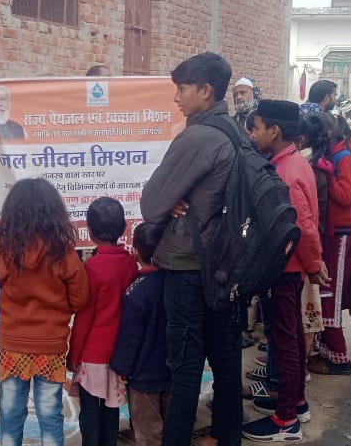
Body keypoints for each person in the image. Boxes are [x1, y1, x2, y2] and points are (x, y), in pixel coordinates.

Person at [140, 51, 242, 446]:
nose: (176, 97)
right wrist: (177, 198)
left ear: (205, 90)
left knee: (184, 366)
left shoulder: (198, 137)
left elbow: (152, 204)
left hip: (187, 265)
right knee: (224, 358)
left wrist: (172, 200)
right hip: (223, 262)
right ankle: (226, 435)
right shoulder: (234, 130)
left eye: (182, 89)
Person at [242, 100, 327, 442]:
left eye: (257, 127)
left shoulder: (286, 173)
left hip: (284, 267)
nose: (253, 134)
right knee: (289, 337)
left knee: (285, 342)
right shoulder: (290, 162)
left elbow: (302, 226)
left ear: (274, 131)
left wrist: (314, 264)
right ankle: (296, 402)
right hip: (288, 266)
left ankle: (286, 420)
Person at [0, 178, 89, 446]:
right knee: (50, 414)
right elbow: (80, 299)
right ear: (54, 213)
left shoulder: (6, 251)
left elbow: (0, 281)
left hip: (13, 344)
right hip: (51, 345)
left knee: (10, 413)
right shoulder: (64, 253)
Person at [69, 197, 138, 446]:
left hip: (92, 354)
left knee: (89, 410)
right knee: (111, 408)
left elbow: (84, 317)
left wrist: (74, 354)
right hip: (120, 353)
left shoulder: (92, 268)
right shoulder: (130, 263)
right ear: (123, 228)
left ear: (89, 230)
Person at [309, 111, 351, 377]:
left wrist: (328, 175)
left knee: (330, 294)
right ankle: (325, 351)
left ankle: (338, 358)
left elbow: (345, 196)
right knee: (325, 291)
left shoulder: (345, 158)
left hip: (343, 233)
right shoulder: (337, 154)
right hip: (335, 231)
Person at [110, 222, 169, 446]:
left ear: (135, 252)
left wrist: (121, 368)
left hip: (143, 376)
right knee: (170, 421)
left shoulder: (136, 292)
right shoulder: (176, 285)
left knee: (148, 428)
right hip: (172, 368)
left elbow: (129, 337)